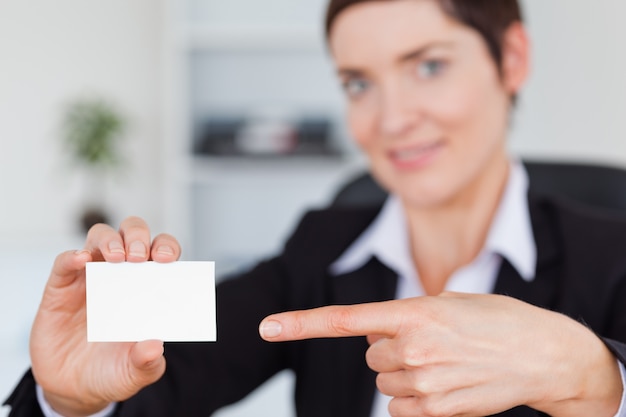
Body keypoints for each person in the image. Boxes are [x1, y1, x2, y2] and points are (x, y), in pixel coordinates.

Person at [5, 0, 626, 416]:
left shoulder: (611, 256)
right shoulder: (319, 247)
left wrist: (597, 377)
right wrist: (66, 397)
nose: (390, 119)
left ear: (511, 59)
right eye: (358, 82)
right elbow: (157, 370)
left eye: (429, 66)